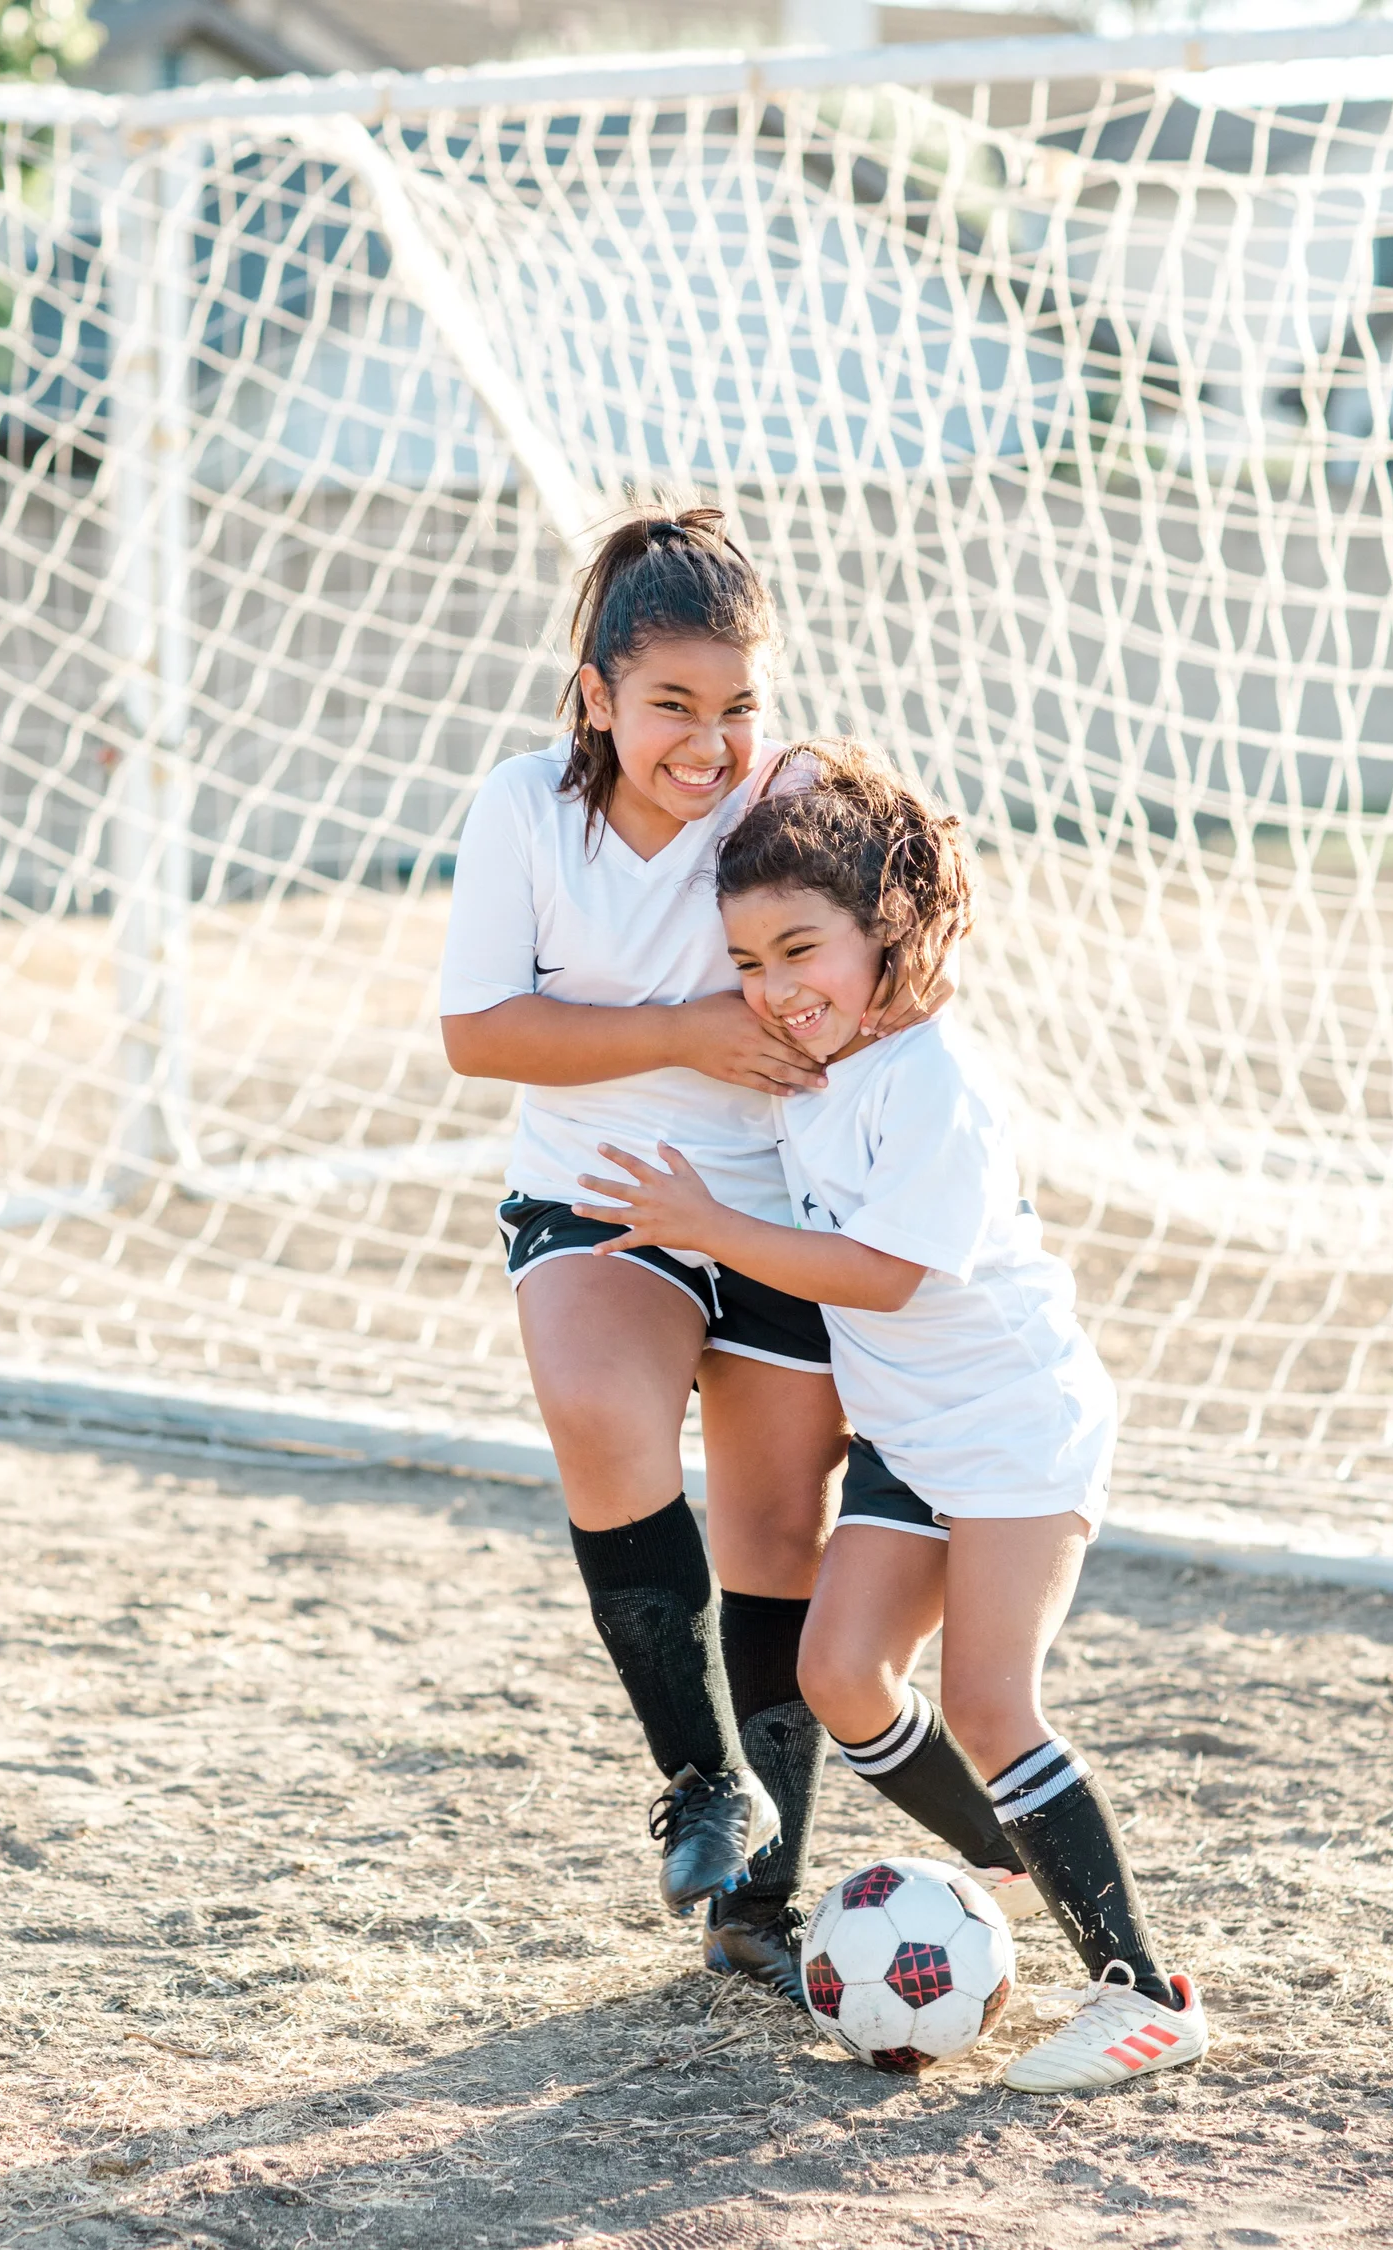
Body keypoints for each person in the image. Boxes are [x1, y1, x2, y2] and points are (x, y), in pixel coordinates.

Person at [440, 512, 1031, 2002]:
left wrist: (898, 1053)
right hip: (601, 1194)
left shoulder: (797, 794)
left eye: (738, 705)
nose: (709, 745)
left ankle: (759, 1903)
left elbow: (917, 915)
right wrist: (685, 1033)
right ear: (596, 696)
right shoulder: (525, 809)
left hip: (784, 1209)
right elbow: (479, 1033)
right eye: (671, 706)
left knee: (775, 1536)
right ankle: (703, 1780)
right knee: (600, 1411)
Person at [571, 739, 1208, 2094]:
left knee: (987, 1694)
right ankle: (1000, 1858)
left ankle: (1146, 1996)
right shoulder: (825, 1064)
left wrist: (707, 1225)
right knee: (843, 1672)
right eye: (749, 962)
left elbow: (888, 1273)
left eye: (802, 949)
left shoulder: (932, 1080)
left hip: (1013, 1427)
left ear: (887, 930)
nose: (774, 988)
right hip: (909, 1440)